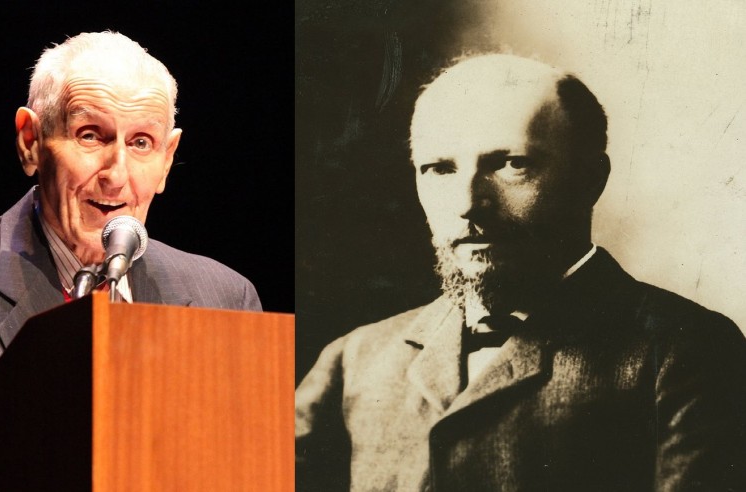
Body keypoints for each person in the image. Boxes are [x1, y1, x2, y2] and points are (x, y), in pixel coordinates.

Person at [295, 53, 746, 491]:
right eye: (439, 169)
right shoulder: (354, 359)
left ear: (591, 179)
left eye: (512, 165)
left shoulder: (686, 350)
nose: (469, 204)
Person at [0, 31, 262, 492]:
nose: (117, 175)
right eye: (91, 135)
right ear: (31, 141)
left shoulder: (225, 297)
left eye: (142, 143)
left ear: (168, 159)